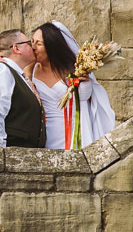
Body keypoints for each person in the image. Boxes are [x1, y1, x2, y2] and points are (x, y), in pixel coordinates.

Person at [29, 20, 117, 149]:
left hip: (72, 132)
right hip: (45, 134)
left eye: (39, 44)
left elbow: (85, 99)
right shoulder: (30, 68)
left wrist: (85, 84)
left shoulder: (73, 70)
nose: (33, 47)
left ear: (52, 46)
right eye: (32, 41)